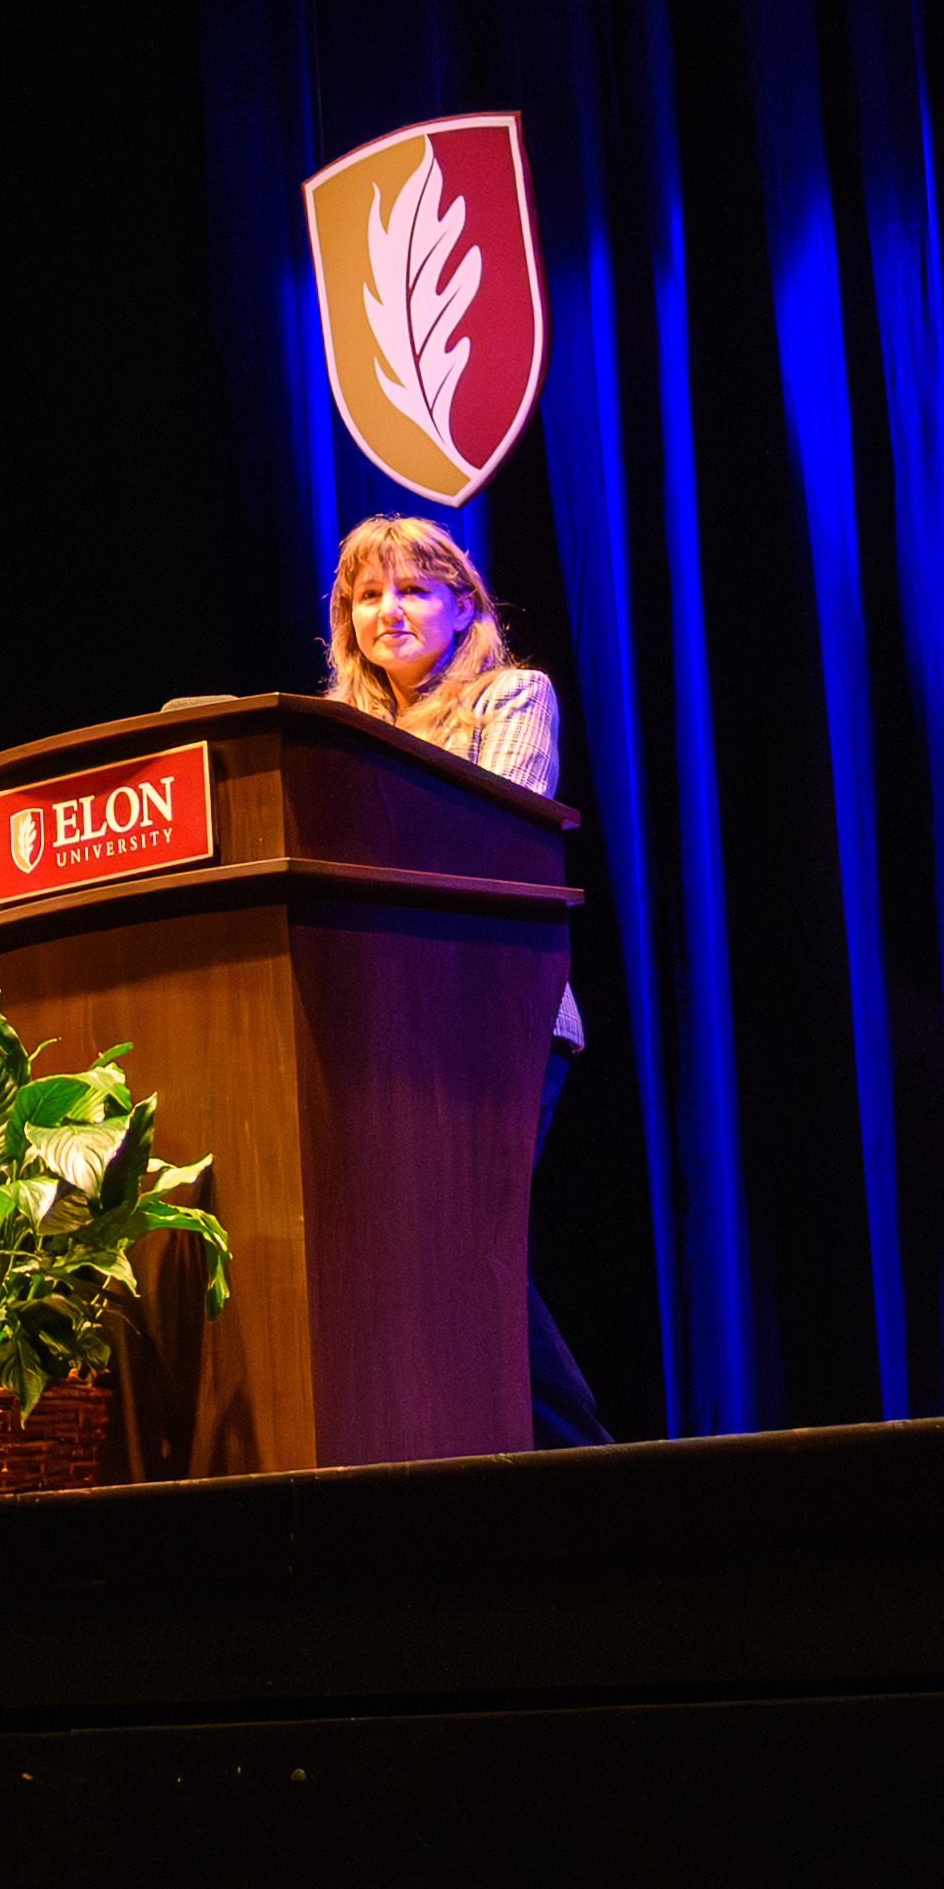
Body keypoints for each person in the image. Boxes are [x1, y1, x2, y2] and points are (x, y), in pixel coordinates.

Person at [322, 512, 615, 1449]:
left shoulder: (511, 698)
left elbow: (503, 839)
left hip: (500, 1017)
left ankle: (585, 1459)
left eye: (412, 590)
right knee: (432, 1248)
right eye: (368, 596)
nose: (388, 611)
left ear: (462, 605)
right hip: (389, 1026)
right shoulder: (335, 733)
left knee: (463, 1241)